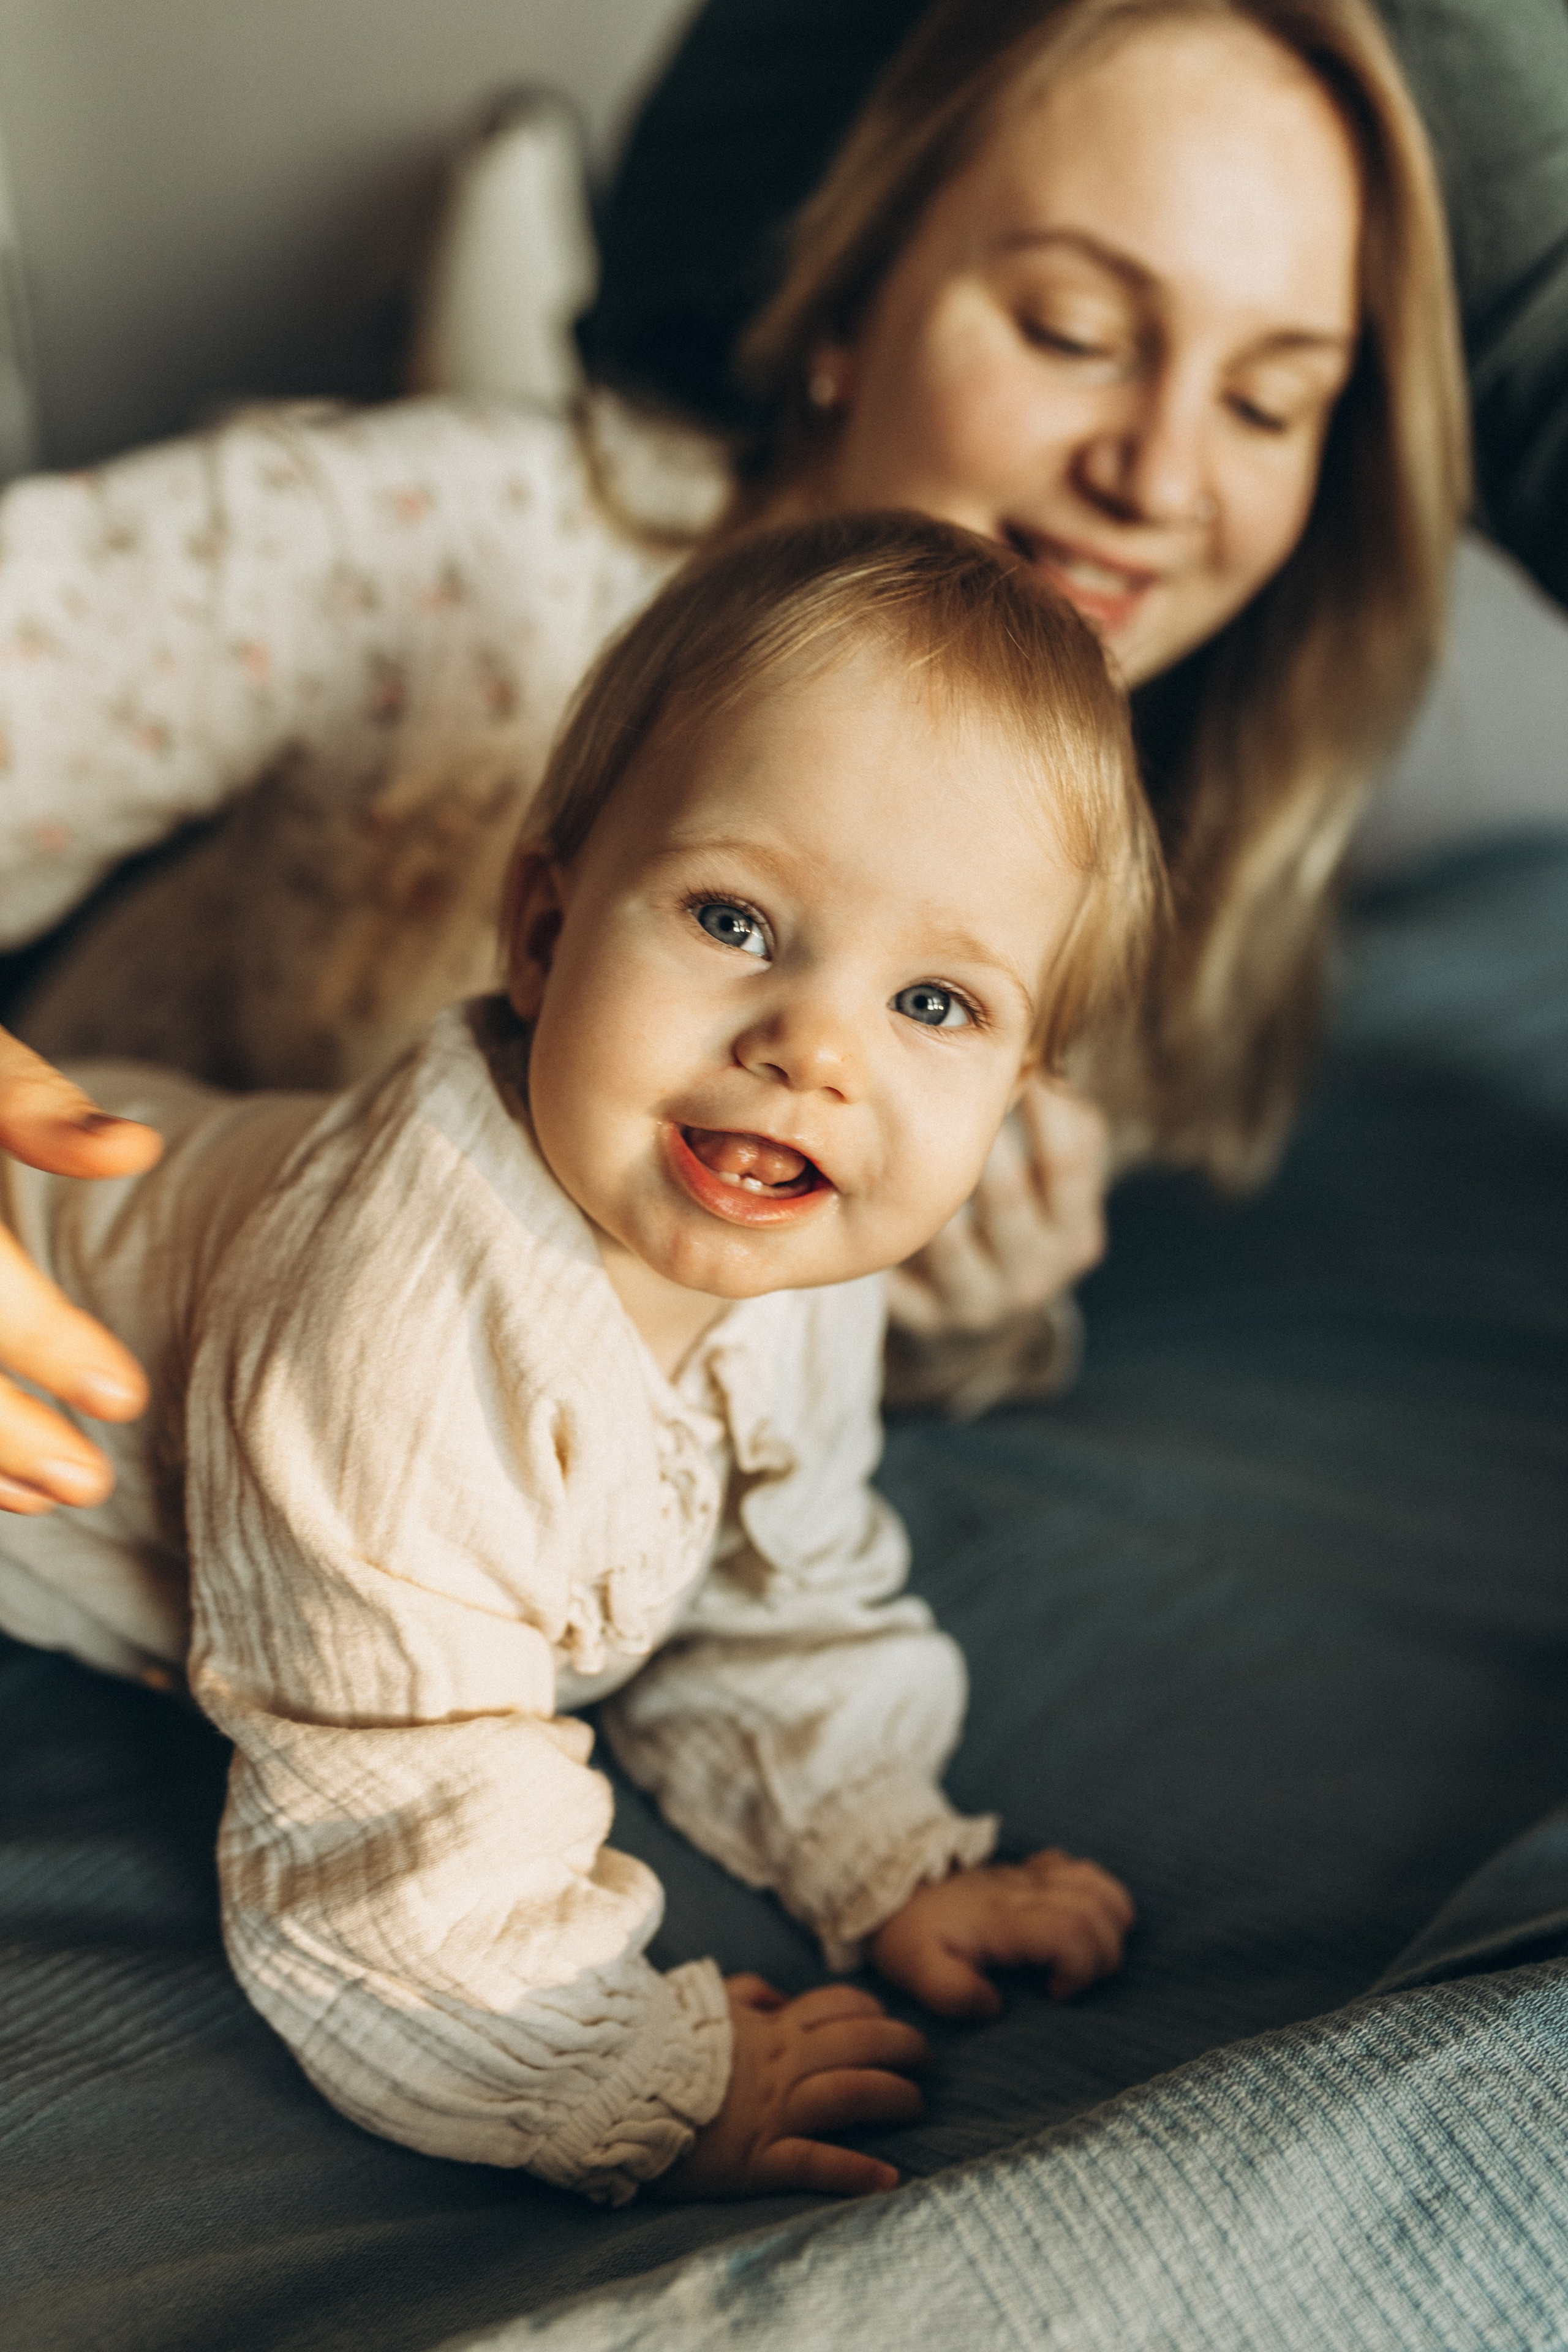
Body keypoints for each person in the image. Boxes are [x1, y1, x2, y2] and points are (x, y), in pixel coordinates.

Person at [0, 0, 1468, 1498]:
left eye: (1264, 402)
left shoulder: (1160, 799)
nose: (1155, 478)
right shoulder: (451, 559)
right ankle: (489, 257)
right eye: (1070, 333)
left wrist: (956, 1326)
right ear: (847, 299)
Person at [0, 513, 1152, 2199]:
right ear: (542, 931)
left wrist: (880, 1846)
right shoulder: (404, 1338)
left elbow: (773, 1579)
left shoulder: (796, 1247)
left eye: (935, 1007)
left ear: (1019, 1095)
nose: (812, 1047)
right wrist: (628, 2075)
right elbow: (388, 1818)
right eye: (737, 919)